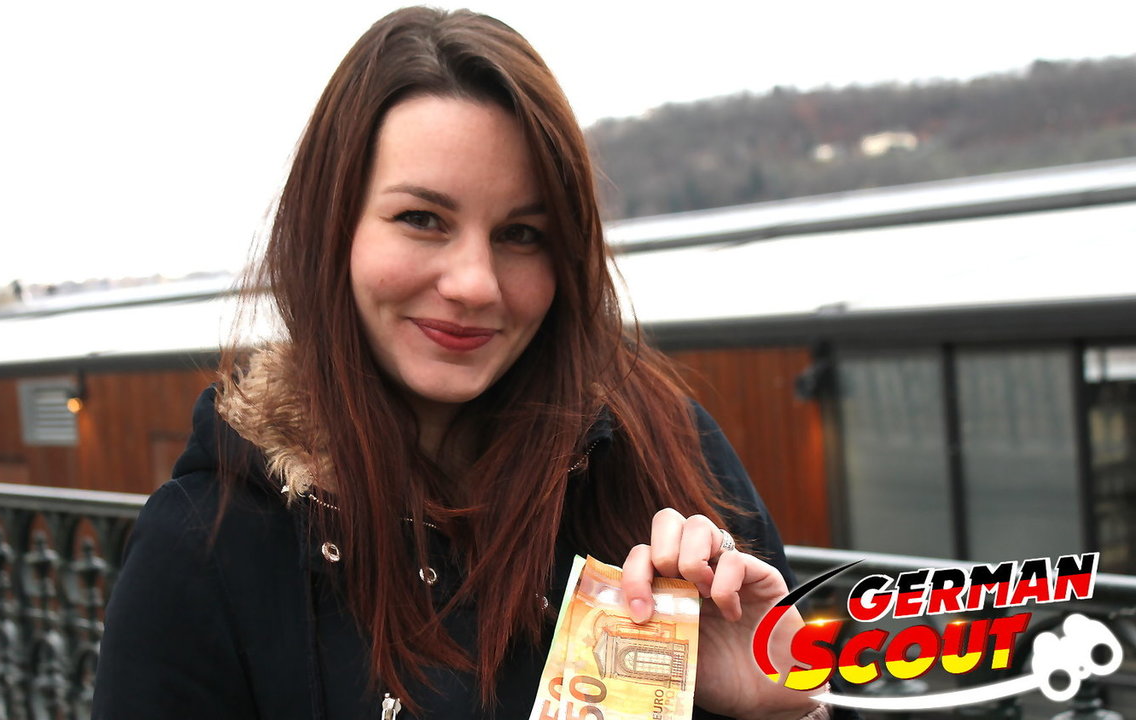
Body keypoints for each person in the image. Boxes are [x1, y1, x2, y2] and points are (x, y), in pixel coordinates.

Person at [92, 7, 832, 719]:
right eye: (422, 219)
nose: (476, 284)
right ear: (330, 227)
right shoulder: (206, 548)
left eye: (521, 234)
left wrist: (786, 707)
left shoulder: (668, 447)